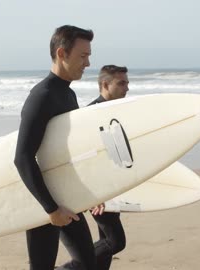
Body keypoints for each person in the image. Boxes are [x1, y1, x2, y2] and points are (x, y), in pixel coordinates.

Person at [14, 25, 95, 270]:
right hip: (44, 202)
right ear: (62, 53)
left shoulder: (67, 95)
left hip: (66, 198)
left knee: (88, 262)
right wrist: (50, 209)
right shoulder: (42, 96)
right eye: (83, 56)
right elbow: (23, 157)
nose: (88, 63)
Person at [59, 65, 129, 270]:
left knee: (106, 241)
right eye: (121, 83)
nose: (127, 88)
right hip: (98, 190)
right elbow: (84, 158)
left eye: (127, 82)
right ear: (105, 85)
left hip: (109, 187)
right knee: (115, 241)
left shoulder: (115, 111)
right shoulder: (92, 114)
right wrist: (95, 196)